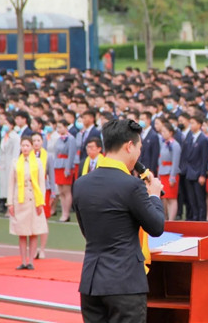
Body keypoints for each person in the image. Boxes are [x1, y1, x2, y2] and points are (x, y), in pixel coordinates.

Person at [72, 119, 164, 323]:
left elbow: (87, 231)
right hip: (125, 284)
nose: (139, 154)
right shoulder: (131, 185)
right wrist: (154, 196)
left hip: (91, 282)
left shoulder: (81, 184)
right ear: (129, 146)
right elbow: (156, 226)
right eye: (139, 148)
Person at [7, 137, 48, 270]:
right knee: (22, 232)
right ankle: (23, 261)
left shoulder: (37, 162)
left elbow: (41, 183)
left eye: (27, 145)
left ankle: (31, 261)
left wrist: (40, 202)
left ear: (31, 147)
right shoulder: (15, 162)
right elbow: (11, 184)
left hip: (34, 199)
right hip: (20, 199)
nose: (25, 148)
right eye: (23, 145)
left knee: (34, 231)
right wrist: (10, 203)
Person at [31, 132, 57, 259]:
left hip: (44, 190)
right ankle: (33, 248)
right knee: (32, 218)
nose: (36, 143)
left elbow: (52, 175)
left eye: (38, 140)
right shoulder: (26, 155)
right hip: (30, 190)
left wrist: (53, 192)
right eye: (34, 141)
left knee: (43, 219)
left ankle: (42, 249)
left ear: (42, 142)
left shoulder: (48, 156)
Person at [183, 113, 208, 221]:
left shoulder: (203, 139)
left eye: (193, 123)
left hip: (198, 173)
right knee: (191, 199)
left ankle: (201, 220)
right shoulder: (189, 137)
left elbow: (204, 158)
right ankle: (194, 218)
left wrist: (202, 174)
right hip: (189, 172)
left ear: (199, 125)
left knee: (200, 199)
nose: (191, 125)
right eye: (190, 123)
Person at [53, 121, 77, 222]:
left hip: (65, 165)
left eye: (60, 127)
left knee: (66, 190)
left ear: (66, 127)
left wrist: (68, 169)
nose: (59, 129)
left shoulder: (70, 139)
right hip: (58, 165)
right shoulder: (59, 139)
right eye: (58, 127)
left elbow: (71, 154)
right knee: (61, 191)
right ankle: (63, 212)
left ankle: (66, 213)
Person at [0, 115, 20, 216]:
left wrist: (14, 165)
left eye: (7, 124)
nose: (5, 126)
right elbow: (0, 152)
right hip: (3, 165)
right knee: (5, 187)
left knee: (11, 187)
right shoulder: (4, 136)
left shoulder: (15, 137)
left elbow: (16, 153)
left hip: (10, 164)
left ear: (11, 125)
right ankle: (7, 207)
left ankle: (11, 208)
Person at [158, 122, 181, 221]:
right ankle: (166, 218)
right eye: (162, 132)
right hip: (163, 172)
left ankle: (171, 219)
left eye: (164, 131)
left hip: (170, 173)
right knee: (165, 198)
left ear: (170, 132)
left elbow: (175, 162)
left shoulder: (175, 145)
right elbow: (160, 160)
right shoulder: (164, 143)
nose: (162, 133)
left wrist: (172, 177)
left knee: (172, 198)